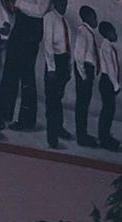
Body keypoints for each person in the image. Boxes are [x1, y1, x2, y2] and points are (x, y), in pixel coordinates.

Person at [0, 0, 49, 131]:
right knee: (10, 70)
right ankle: (3, 115)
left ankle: (26, 121)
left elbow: (40, 10)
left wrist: (17, 2)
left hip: (32, 29)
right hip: (22, 25)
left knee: (26, 74)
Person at [42, 0, 71, 149]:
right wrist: (51, 69)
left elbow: (67, 46)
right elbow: (48, 45)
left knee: (58, 98)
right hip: (54, 61)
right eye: (61, 3)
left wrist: (68, 67)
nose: (64, 6)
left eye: (66, 3)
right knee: (52, 101)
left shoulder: (64, 20)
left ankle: (59, 128)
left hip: (63, 62)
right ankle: (52, 137)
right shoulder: (49, 17)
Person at [72, 5, 99, 147]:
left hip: (87, 71)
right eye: (94, 17)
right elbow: (78, 56)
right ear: (88, 17)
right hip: (84, 71)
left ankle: (83, 134)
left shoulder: (89, 33)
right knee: (82, 105)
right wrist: (83, 76)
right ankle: (81, 137)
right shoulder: (83, 31)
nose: (96, 20)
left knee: (84, 104)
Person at [97, 21, 121, 151]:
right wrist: (116, 85)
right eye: (113, 31)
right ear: (107, 33)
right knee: (108, 110)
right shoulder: (106, 47)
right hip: (108, 81)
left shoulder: (109, 46)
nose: (115, 34)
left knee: (108, 110)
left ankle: (105, 135)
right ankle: (104, 139)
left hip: (108, 81)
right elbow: (110, 68)